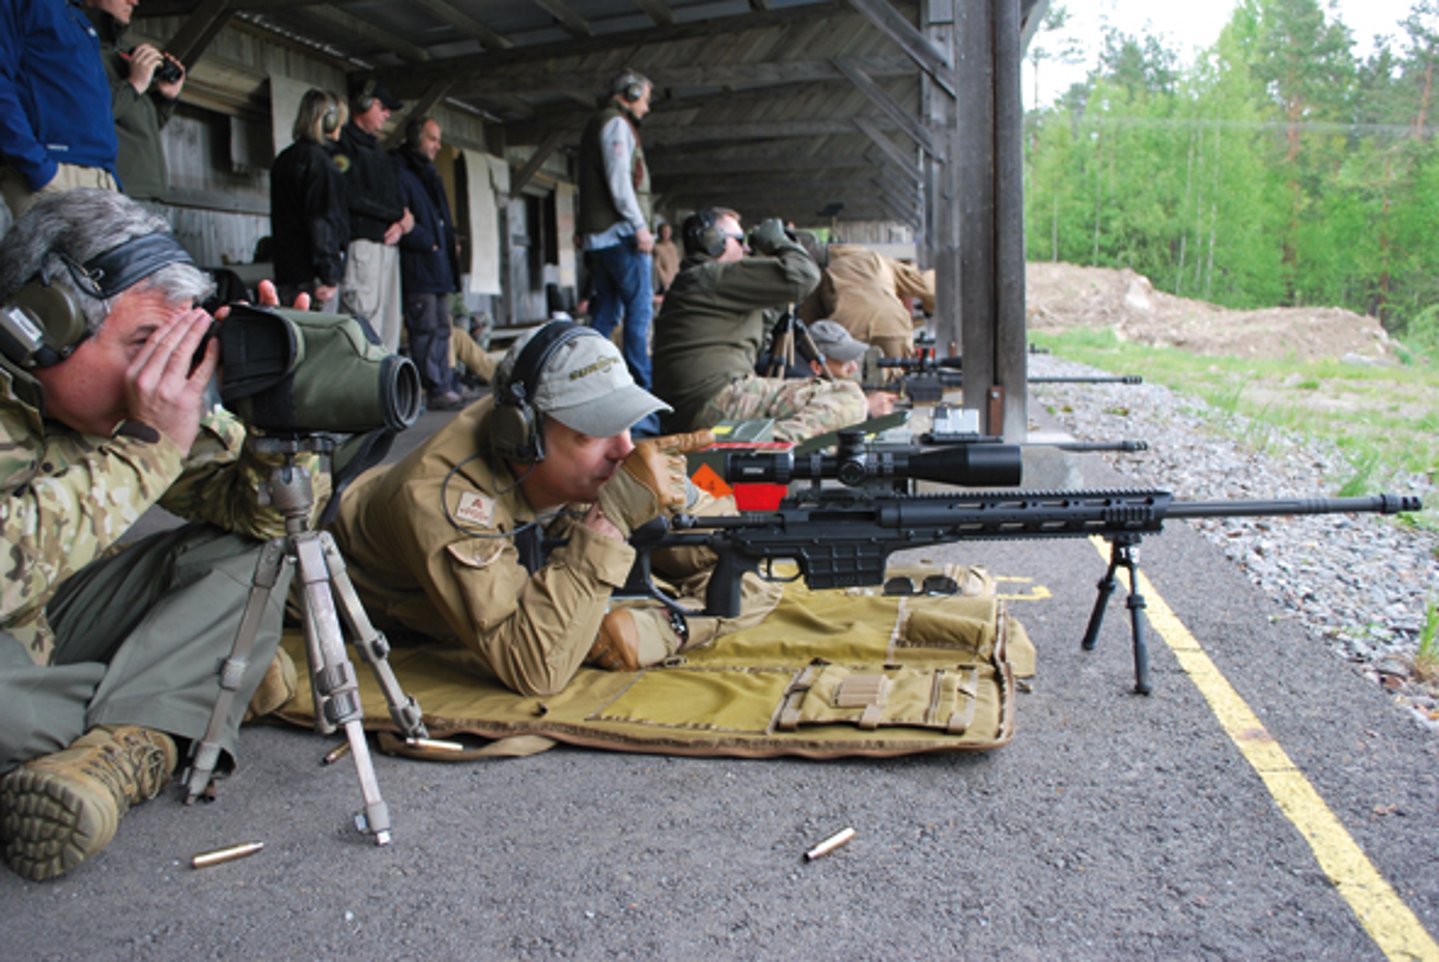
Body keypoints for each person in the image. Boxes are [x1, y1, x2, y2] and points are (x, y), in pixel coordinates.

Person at [0, 189, 316, 881]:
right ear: (42, 323)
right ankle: (180, 706)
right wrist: (144, 452)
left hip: (47, 624)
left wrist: (276, 420)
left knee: (253, 559)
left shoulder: (119, 406)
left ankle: (144, 723)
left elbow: (264, 519)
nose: (164, 373)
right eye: (145, 343)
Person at [329, 321, 780, 697]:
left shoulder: (567, 450)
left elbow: (752, 562)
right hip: (325, 578)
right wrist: (611, 521)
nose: (624, 450)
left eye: (627, 422)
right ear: (522, 436)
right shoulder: (439, 497)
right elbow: (536, 669)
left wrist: (662, 631)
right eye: (593, 431)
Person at [651, 208, 867, 442]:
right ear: (713, 241)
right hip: (716, 399)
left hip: (694, 408)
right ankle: (767, 444)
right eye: (740, 240)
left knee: (821, 413)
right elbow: (803, 276)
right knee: (848, 396)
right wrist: (779, 242)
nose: (746, 249)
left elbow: (765, 333)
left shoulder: (699, 281)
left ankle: (771, 442)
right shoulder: (713, 275)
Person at [578, 69, 658, 436]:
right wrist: (640, 227)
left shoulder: (601, 123)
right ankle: (643, 416)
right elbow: (619, 182)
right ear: (631, 92)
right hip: (621, 236)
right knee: (639, 320)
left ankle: (584, 386)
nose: (647, 104)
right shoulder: (615, 126)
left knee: (606, 314)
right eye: (644, 96)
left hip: (603, 238)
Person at [0, 0, 119, 220]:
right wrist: (38, 169)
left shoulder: (80, 21)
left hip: (101, 178)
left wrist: (111, 178)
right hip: (55, 175)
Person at [336, 75, 412, 352]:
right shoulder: (343, 146)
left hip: (388, 248)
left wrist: (404, 222)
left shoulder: (379, 152)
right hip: (363, 247)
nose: (386, 114)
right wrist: (394, 213)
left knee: (388, 329)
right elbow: (348, 195)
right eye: (382, 106)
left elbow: (400, 204)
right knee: (363, 326)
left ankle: (384, 392)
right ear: (364, 104)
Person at [394, 116, 462, 410]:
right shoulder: (401, 171)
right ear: (416, 138)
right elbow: (402, 220)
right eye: (432, 139)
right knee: (425, 329)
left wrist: (446, 243)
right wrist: (428, 241)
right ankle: (432, 387)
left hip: (438, 265)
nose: (437, 145)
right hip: (419, 266)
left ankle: (444, 381)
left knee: (442, 328)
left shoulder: (429, 174)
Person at [85, 0, 183, 203]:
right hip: (111, 192)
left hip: (143, 192)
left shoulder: (122, 53)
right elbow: (87, 118)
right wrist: (134, 84)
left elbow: (141, 125)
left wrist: (166, 98)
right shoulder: (78, 49)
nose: (134, 1)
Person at [269, 88, 349, 311]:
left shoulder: (284, 159)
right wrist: (329, 275)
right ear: (329, 121)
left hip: (288, 272)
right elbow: (322, 221)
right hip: (313, 277)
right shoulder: (321, 164)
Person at [797, 240, 936, 359]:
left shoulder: (829, 269)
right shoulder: (879, 260)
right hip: (892, 322)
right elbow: (929, 285)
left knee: (839, 374)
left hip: (845, 323)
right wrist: (928, 309)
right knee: (895, 379)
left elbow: (806, 321)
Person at [803, 319, 896, 418]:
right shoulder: (804, 393)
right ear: (817, 367)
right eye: (846, 363)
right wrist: (866, 406)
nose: (854, 367)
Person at [652, 221, 680, 297]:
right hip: (664, 284)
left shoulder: (673, 247)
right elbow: (657, 267)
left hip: (676, 280)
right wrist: (665, 281)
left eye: (668, 232)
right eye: (664, 232)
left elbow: (677, 263)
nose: (666, 234)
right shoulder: (656, 248)